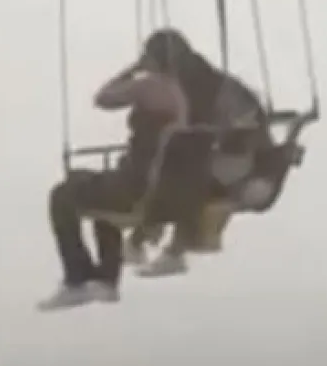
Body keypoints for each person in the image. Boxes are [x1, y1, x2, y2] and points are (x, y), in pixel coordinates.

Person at [38, 43, 189, 311]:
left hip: (133, 187)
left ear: (152, 58)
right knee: (97, 194)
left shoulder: (149, 86)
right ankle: (106, 279)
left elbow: (103, 98)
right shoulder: (179, 94)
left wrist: (132, 70)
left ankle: (78, 279)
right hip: (149, 187)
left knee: (61, 195)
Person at [131, 28, 269, 278]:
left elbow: (194, 129)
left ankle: (170, 247)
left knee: (184, 166)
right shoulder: (195, 76)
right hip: (227, 151)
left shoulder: (199, 84)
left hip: (244, 157)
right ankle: (148, 236)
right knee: (177, 160)